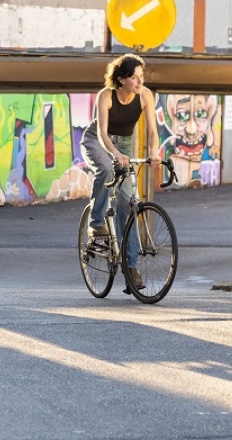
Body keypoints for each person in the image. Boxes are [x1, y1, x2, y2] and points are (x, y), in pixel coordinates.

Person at [80, 54, 161, 290]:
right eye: (134, 78)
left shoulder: (145, 96)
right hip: (98, 140)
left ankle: (131, 267)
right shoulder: (105, 96)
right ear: (121, 79)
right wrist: (114, 153)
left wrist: (154, 151)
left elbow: (153, 131)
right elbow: (103, 134)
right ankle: (96, 224)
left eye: (141, 77)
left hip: (124, 144)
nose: (139, 82)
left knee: (128, 203)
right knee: (105, 169)